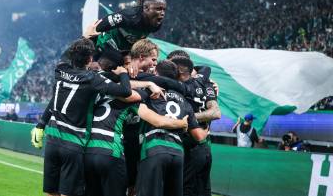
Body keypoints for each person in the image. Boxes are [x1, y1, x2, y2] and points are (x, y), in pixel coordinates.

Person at [31, 38, 133, 196]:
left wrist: (41, 124)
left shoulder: (60, 68)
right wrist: (124, 74)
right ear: (90, 59)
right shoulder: (93, 79)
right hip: (73, 144)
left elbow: (67, 55)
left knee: (51, 192)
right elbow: (126, 91)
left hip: (52, 140)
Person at [136, 60, 207, 196]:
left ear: (156, 72)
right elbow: (198, 136)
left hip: (155, 146)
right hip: (178, 152)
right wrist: (206, 129)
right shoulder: (185, 100)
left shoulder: (151, 91)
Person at [83, 0, 166, 76]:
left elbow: (137, 41)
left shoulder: (156, 24)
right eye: (158, 9)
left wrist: (132, 58)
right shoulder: (127, 17)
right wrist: (92, 59)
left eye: (164, 9)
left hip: (122, 51)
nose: (162, 13)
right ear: (146, 8)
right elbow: (94, 30)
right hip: (103, 44)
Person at [171, 56, 221, 196]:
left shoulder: (180, 87)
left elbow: (216, 113)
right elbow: (206, 68)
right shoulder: (205, 82)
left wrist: (187, 118)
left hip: (191, 145)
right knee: (202, 189)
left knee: (186, 189)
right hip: (203, 146)